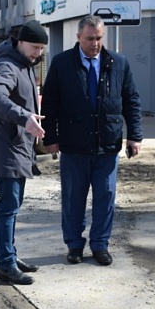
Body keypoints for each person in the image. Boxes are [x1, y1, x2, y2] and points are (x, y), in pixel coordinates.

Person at [41, 14, 142, 267]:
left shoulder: (118, 62)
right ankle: (74, 245)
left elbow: (131, 100)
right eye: (89, 39)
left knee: (105, 197)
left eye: (98, 38)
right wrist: (50, 137)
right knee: (73, 198)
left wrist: (135, 135)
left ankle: (100, 244)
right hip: (74, 146)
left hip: (107, 146)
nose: (95, 44)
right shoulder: (62, 63)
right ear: (78, 37)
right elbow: (50, 102)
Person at [0, 20, 48, 285]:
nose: (38, 53)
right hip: (8, 149)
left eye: (42, 49)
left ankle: (10, 255)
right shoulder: (7, 65)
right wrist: (24, 118)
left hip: (18, 149)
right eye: (35, 47)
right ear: (20, 42)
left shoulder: (23, 64)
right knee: (8, 208)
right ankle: (7, 265)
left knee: (14, 206)